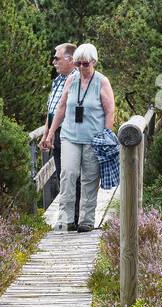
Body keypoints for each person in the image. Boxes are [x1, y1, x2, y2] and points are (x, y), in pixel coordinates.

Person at [41, 43, 116, 231]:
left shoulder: (101, 81)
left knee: (90, 178)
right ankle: (66, 218)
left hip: (93, 138)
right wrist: (50, 133)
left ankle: (86, 220)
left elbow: (110, 110)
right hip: (69, 136)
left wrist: (106, 135)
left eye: (85, 64)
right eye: (78, 64)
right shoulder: (71, 80)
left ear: (94, 62)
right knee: (67, 173)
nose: (82, 68)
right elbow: (61, 107)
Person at [46, 43, 77, 225]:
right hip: (55, 131)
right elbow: (51, 110)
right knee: (60, 173)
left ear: (70, 60)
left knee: (70, 174)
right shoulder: (57, 80)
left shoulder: (74, 79)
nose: (53, 62)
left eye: (57, 58)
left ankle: (72, 216)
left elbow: (63, 109)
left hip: (68, 132)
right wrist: (46, 134)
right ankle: (66, 215)